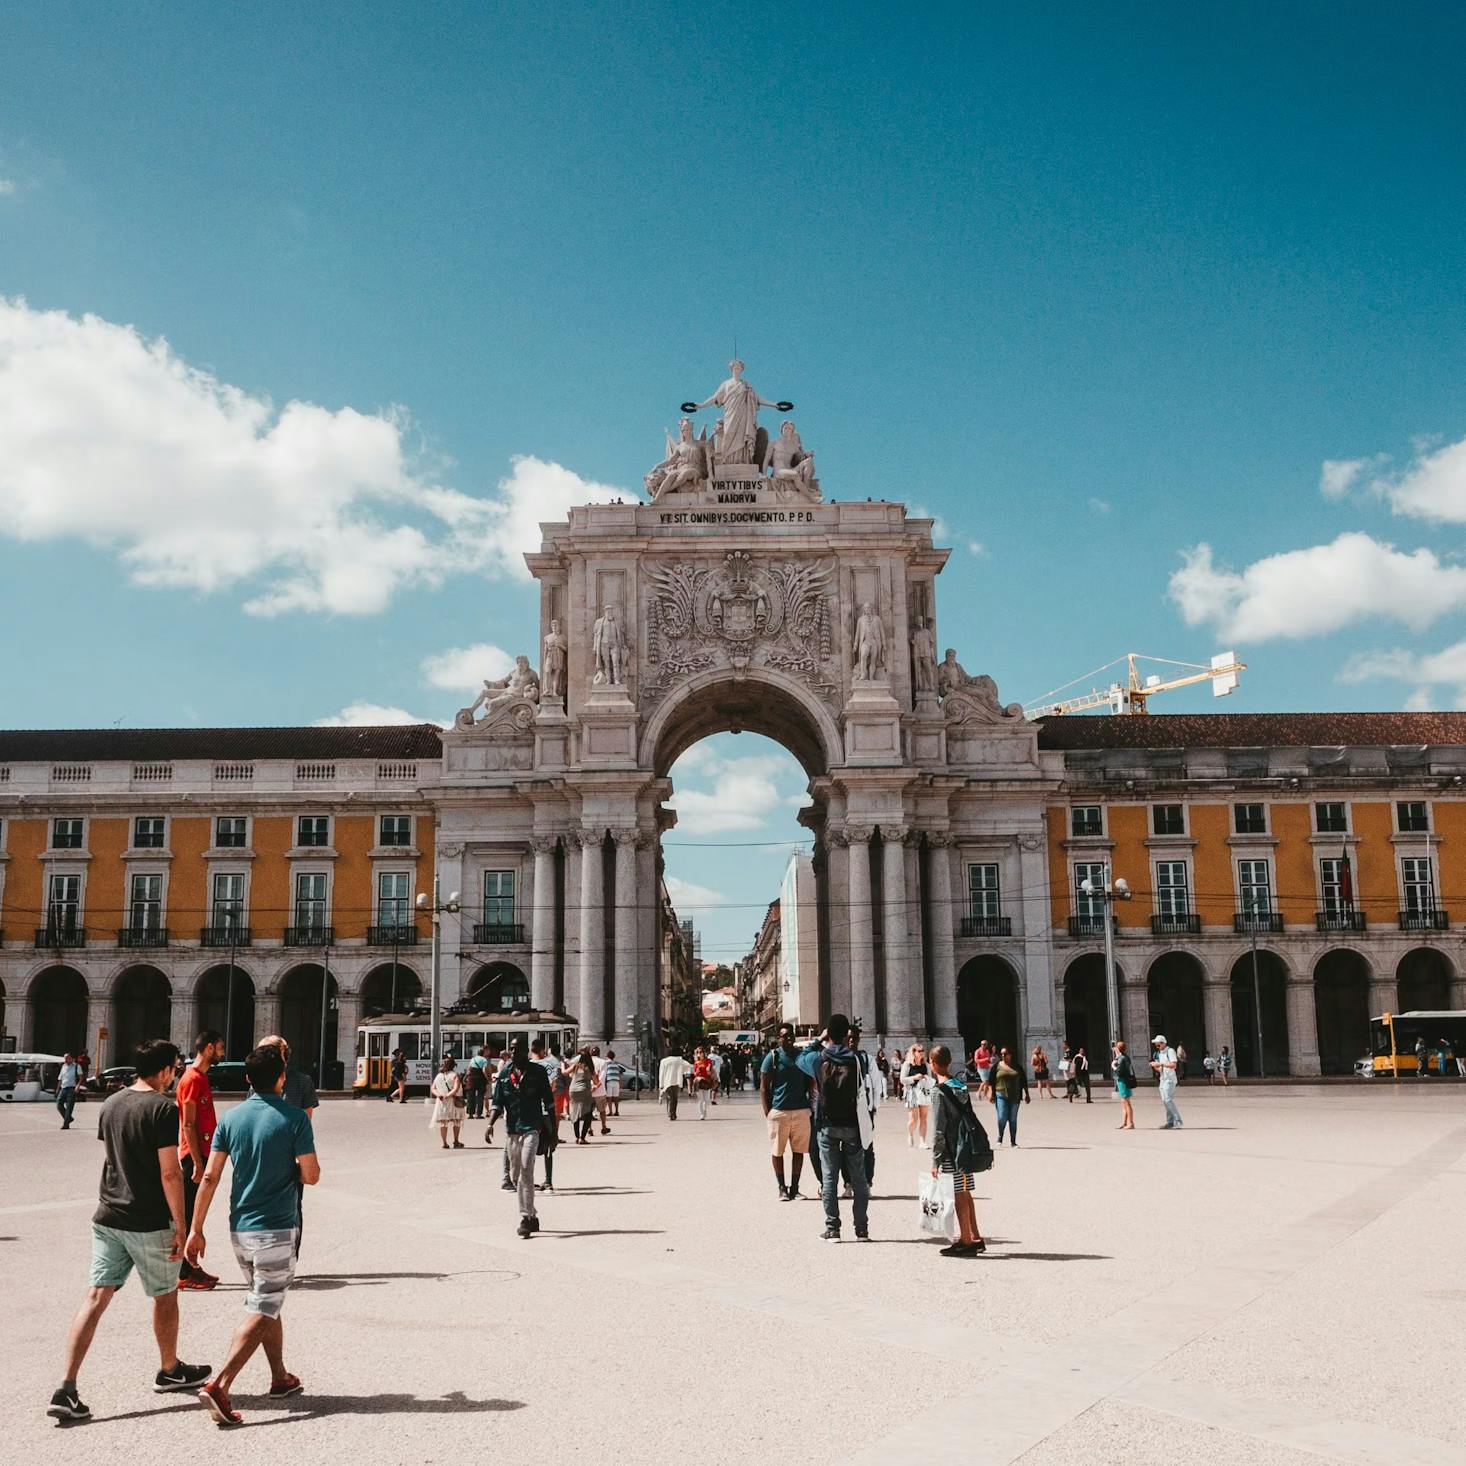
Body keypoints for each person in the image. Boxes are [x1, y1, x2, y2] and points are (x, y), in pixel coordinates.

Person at [47, 1039, 211, 1423]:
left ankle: (66, 1387)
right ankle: (170, 1370)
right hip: (148, 1220)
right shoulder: (162, 1108)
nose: (175, 1074)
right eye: (175, 1067)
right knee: (165, 1296)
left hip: (107, 1216)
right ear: (166, 1070)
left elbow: (114, 1157)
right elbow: (170, 1172)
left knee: (95, 1297)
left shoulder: (112, 1103)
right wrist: (182, 1225)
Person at [186, 1043, 319, 1426]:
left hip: (239, 1229)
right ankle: (220, 1385)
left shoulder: (231, 1119)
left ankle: (279, 1376)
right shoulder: (295, 1119)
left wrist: (196, 1229)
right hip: (276, 1227)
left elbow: (209, 1176)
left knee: (265, 1297)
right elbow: (311, 1174)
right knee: (263, 1306)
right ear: (281, 1077)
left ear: (247, 1079)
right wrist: (293, 1168)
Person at [796, 1015, 871, 1241]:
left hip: (827, 1124)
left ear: (829, 1033)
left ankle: (833, 1229)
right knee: (858, 1178)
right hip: (852, 1124)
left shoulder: (818, 1059)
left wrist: (819, 1039)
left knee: (829, 1178)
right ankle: (861, 1229)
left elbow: (801, 1058)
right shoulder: (858, 1060)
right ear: (847, 1034)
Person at [258, 1036, 317, 1260]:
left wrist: (303, 1159)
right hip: (264, 1156)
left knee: (293, 1207)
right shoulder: (257, 1082)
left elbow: (307, 1122)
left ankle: (290, 1254)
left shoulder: (302, 1082)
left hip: (291, 1157)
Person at [490, 1038, 554, 1239]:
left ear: (526, 1051)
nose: (513, 1051)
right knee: (516, 1175)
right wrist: (489, 1124)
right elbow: (498, 1102)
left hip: (532, 1128)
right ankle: (533, 1214)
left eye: (517, 1048)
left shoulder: (538, 1072)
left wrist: (554, 1132)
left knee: (527, 1169)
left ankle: (525, 1218)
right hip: (513, 1130)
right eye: (511, 1048)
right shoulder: (505, 1074)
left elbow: (549, 1102)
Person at [177, 1029, 226, 1291]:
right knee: (187, 1216)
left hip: (202, 1153)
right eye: (220, 1047)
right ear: (208, 1048)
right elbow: (188, 1125)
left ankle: (191, 1267)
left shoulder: (201, 1078)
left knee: (194, 1215)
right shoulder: (192, 1079)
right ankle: (184, 1273)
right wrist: (197, 1162)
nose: (222, 1051)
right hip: (193, 1157)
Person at [929, 1044, 988, 1257]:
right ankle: (975, 1237)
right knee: (965, 1190)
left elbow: (938, 1129)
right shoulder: (960, 1085)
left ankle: (965, 1240)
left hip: (953, 1150)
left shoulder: (938, 1092)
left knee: (960, 1193)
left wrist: (935, 1160)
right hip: (966, 1145)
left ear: (933, 1063)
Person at [760, 1022, 813, 1201]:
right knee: (778, 1151)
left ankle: (795, 1188)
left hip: (800, 1110)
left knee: (799, 1151)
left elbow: (810, 1080)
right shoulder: (772, 1057)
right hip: (779, 1111)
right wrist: (768, 1112)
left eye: (791, 1036)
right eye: (785, 1036)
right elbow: (764, 1087)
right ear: (779, 1038)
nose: (789, 1039)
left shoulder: (801, 1057)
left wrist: (809, 1106)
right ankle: (782, 1187)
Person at [990, 1046, 1029, 1147]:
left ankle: (1013, 1141)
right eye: (1001, 1054)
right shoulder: (997, 1066)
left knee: (1013, 1119)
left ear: (1010, 1055)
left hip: (1015, 1095)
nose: (1003, 1055)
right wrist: (991, 1094)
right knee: (1002, 1117)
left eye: (1005, 1053)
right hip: (1000, 1094)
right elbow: (991, 1081)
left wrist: (1027, 1094)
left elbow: (1023, 1081)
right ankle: (1000, 1136)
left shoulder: (1017, 1067)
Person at [429, 1057, 466, 1149]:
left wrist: (439, 1095)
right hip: (453, 1101)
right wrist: (448, 1095)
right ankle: (456, 1141)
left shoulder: (438, 1076)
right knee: (456, 1121)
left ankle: (444, 1143)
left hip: (441, 1102)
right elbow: (456, 1088)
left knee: (443, 1122)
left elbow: (433, 1088)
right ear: (453, 1065)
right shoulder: (455, 1075)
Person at [901, 1043, 932, 1147]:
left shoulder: (926, 1065)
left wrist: (926, 1078)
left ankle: (922, 1141)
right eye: (919, 1051)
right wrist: (914, 1078)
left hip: (923, 1092)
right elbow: (902, 1079)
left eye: (923, 1051)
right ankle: (910, 1134)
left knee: (924, 1118)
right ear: (913, 1052)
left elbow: (930, 1078)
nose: (922, 1053)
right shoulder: (907, 1064)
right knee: (913, 1119)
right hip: (911, 1092)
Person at [1151, 1034, 1183, 1129]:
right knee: (1165, 1101)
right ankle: (1170, 1122)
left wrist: (1160, 1064)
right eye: (1156, 1045)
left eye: (1158, 1045)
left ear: (1163, 1043)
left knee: (1168, 1100)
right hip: (1163, 1079)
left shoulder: (1170, 1051)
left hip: (1169, 1079)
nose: (1157, 1047)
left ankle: (1178, 1121)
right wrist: (1156, 1066)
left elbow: (1174, 1065)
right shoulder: (1160, 1053)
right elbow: (1162, 1068)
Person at [566, 1051, 597, 1142]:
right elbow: (596, 1082)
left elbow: (565, 1073)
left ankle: (577, 1137)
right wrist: (596, 1085)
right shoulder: (590, 1068)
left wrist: (562, 1065)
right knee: (588, 1113)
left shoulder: (576, 1066)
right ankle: (582, 1138)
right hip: (584, 1091)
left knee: (575, 1112)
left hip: (573, 1091)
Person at [658, 1050, 692, 1119]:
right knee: (675, 1098)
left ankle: (670, 1113)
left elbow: (661, 1074)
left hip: (667, 1082)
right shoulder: (679, 1060)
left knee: (670, 1097)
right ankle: (673, 1113)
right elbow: (689, 1066)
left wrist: (661, 1085)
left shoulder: (664, 1061)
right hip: (677, 1081)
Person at [1112, 1040, 1137, 1130]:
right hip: (1124, 1081)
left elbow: (1118, 1071)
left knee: (1126, 1102)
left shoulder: (1122, 1058)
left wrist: (1113, 1066)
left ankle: (1130, 1123)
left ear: (1118, 1048)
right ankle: (1124, 1122)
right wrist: (1117, 1055)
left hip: (1123, 1081)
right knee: (1123, 1102)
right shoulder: (1124, 1057)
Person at [56, 1050, 81, 1130]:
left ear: (71, 1058)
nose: (66, 1059)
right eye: (65, 1058)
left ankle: (66, 1124)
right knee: (59, 1104)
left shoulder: (76, 1066)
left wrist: (78, 1086)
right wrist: (57, 1089)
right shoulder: (63, 1066)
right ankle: (69, 1118)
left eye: (67, 1058)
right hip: (63, 1088)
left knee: (69, 1106)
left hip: (72, 1088)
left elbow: (81, 1077)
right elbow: (60, 1078)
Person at [691, 1046, 717, 1119]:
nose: (699, 1054)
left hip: (706, 1082)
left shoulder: (708, 1061)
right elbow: (695, 1074)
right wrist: (697, 1071)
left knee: (706, 1100)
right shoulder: (696, 1063)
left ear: (704, 1053)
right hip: (699, 1082)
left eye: (700, 1052)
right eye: (698, 1052)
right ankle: (701, 1114)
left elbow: (709, 1069)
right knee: (700, 1100)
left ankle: (704, 1112)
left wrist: (708, 1069)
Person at [465, 1046, 491, 1119]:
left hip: (471, 1078)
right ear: (483, 1053)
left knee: (470, 1096)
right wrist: (487, 1078)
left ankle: (470, 1114)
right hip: (480, 1079)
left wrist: (466, 1077)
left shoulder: (473, 1059)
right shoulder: (484, 1060)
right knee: (480, 1097)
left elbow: (469, 1069)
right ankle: (478, 1114)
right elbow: (484, 1071)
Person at [602, 1048, 624, 1117]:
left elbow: (604, 1073)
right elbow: (619, 1073)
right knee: (616, 1097)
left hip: (609, 1081)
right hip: (616, 1081)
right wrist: (620, 1083)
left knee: (609, 1098)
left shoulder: (606, 1063)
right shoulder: (616, 1064)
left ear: (607, 1056)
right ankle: (617, 1111)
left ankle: (610, 1111)